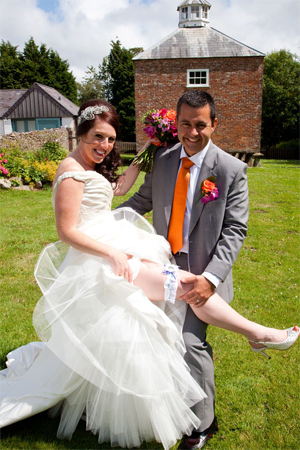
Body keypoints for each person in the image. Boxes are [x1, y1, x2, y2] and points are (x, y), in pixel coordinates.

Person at [0, 99, 298, 450]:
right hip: (125, 254)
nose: (104, 145)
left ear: (214, 124)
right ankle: (256, 334)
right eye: (185, 124)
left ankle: (204, 418)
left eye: (110, 139)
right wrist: (111, 245)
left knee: (182, 335)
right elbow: (117, 209)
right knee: (167, 312)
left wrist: (211, 277)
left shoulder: (230, 169)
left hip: (185, 261)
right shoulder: (142, 163)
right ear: (80, 133)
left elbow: (233, 230)